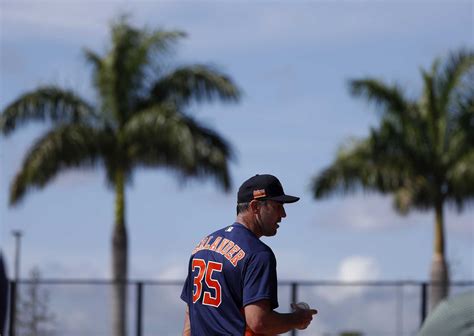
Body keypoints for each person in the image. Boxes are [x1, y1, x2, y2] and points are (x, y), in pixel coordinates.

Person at [180, 174, 318, 335]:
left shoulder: (203, 246)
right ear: (255, 207)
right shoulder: (258, 254)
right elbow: (259, 322)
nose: (283, 214)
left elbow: (191, 314)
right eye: (277, 206)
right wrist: (297, 319)